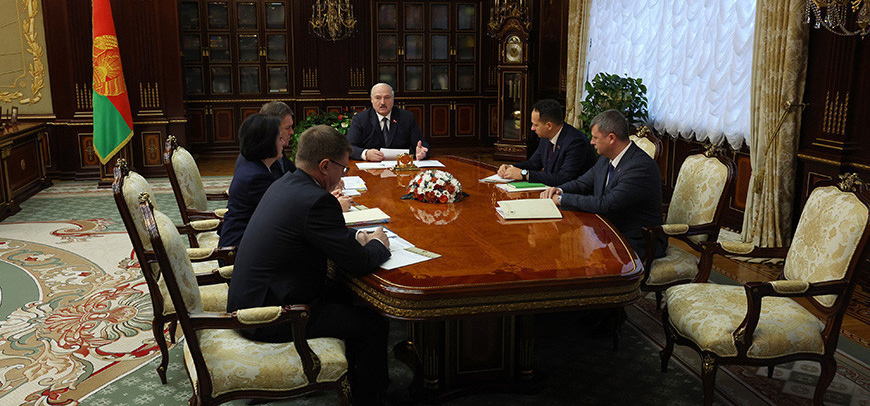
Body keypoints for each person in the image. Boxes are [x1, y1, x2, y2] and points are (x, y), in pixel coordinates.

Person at [227, 125, 392, 406]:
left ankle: (351, 378)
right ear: (325, 166)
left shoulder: (287, 183)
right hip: (268, 316)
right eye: (343, 168)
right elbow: (359, 263)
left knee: (346, 294)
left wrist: (354, 238)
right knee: (374, 323)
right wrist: (378, 244)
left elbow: (315, 234)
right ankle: (370, 399)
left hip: (257, 296)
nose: (343, 176)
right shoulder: (317, 201)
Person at [541, 109, 666, 260]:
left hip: (637, 241)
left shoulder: (640, 167)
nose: (591, 142)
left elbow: (606, 204)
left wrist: (562, 199)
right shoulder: (606, 158)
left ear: (611, 138)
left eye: (595, 137)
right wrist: (559, 190)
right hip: (608, 231)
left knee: (578, 258)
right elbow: (582, 183)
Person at [218, 113, 291, 248]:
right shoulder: (255, 177)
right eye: (279, 138)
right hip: (240, 247)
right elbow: (283, 212)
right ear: (267, 143)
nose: (283, 143)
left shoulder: (260, 165)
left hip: (253, 238)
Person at [497, 99, 596, 186]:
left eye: (536, 125)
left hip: (572, 195)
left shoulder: (575, 142)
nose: (532, 128)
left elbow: (562, 179)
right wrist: (511, 168)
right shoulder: (545, 137)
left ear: (549, 126)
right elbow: (534, 163)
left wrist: (524, 174)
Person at [347, 83, 429, 161]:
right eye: (378, 98)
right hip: (370, 166)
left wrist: (422, 152)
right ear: (372, 100)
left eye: (387, 98)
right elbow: (348, 147)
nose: (382, 102)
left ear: (393, 99)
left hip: (400, 166)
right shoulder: (361, 119)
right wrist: (366, 154)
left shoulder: (406, 117)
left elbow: (421, 144)